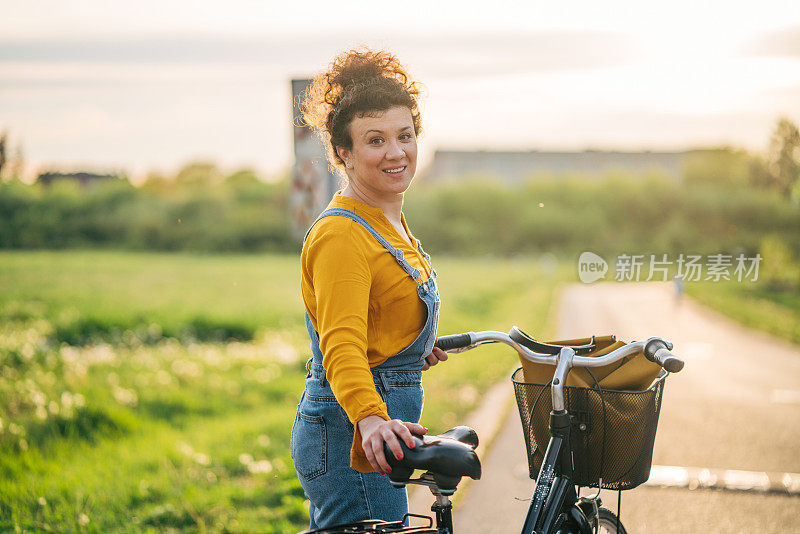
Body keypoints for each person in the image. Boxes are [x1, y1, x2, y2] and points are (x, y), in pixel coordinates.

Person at [291, 48, 449, 529]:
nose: (396, 152)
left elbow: (372, 318)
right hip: (353, 434)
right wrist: (371, 419)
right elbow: (340, 343)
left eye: (405, 136)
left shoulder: (386, 220)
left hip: (377, 424)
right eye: (375, 140)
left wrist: (408, 346)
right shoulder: (342, 233)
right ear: (344, 152)